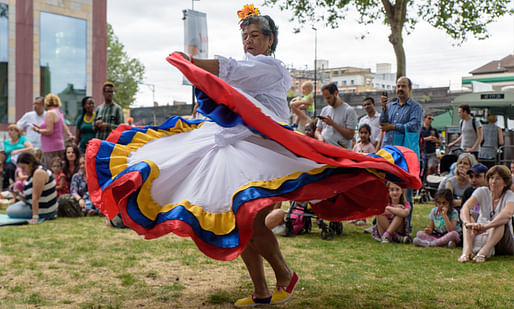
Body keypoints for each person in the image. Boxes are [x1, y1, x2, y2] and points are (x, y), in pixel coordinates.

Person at [86, 5, 421, 307]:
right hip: (232, 146)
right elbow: (228, 84)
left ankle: (285, 277)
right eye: (245, 36)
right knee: (238, 217)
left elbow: (228, 70)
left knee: (248, 217)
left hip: (263, 152)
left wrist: (190, 61)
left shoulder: (271, 67)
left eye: (255, 35)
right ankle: (263, 290)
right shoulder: (252, 65)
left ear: (270, 40)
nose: (248, 40)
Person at [379, 76, 423, 225]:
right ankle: (381, 223)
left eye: (403, 86)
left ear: (409, 89)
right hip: (389, 153)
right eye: (398, 86)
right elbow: (382, 123)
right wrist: (384, 108)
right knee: (385, 189)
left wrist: (393, 127)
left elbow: (414, 125)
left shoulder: (415, 107)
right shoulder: (390, 106)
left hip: (404, 155)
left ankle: (406, 226)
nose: (400, 89)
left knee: (406, 190)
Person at [459, 165, 514, 263]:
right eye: (491, 178)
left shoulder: (509, 196)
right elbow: (465, 207)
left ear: (505, 183)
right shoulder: (482, 191)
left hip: (502, 239)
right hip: (481, 230)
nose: (493, 182)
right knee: (470, 216)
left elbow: (507, 214)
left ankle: (483, 252)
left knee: (500, 221)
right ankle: (466, 251)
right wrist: (467, 223)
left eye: (497, 179)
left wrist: (486, 227)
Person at [6, 151, 58, 223]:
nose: (23, 170)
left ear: (30, 163)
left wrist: (35, 217)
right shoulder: (33, 172)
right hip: (35, 205)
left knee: (10, 211)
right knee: (11, 208)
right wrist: (19, 195)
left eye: (23, 167)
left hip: (44, 210)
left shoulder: (39, 173)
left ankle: (37, 214)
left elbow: (35, 197)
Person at [32, 94, 74, 167]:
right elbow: (63, 126)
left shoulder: (50, 113)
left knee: (52, 169)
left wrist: (37, 130)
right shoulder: (59, 112)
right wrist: (69, 134)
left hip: (50, 147)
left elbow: (49, 131)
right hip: (59, 145)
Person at [315, 82, 358, 149]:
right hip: (324, 148)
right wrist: (320, 137)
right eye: (325, 98)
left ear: (336, 93)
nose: (327, 101)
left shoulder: (349, 111)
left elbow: (350, 135)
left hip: (340, 151)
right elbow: (317, 130)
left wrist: (333, 124)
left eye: (329, 98)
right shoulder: (324, 109)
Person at [2, 124, 33, 189]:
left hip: (23, 160)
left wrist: (17, 151)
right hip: (11, 161)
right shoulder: (5, 142)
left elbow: (30, 148)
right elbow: (2, 153)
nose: (9, 132)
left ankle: (22, 186)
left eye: (12, 130)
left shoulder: (22, 139)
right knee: (9, 169)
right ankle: (10, 187)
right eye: (8, 130)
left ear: (17, 132)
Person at [420, 113, 441, 177]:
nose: (430, 120)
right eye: (429, 118)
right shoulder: (420, 130)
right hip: (422, 153)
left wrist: (436, 140)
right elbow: (416, 141)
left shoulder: (434, 130)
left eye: (432, 119)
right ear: (424, 119)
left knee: (431, 168)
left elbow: (440, 143)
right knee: (422, 170)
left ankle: (429, 182)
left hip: (432, 153)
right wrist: (427, 139)